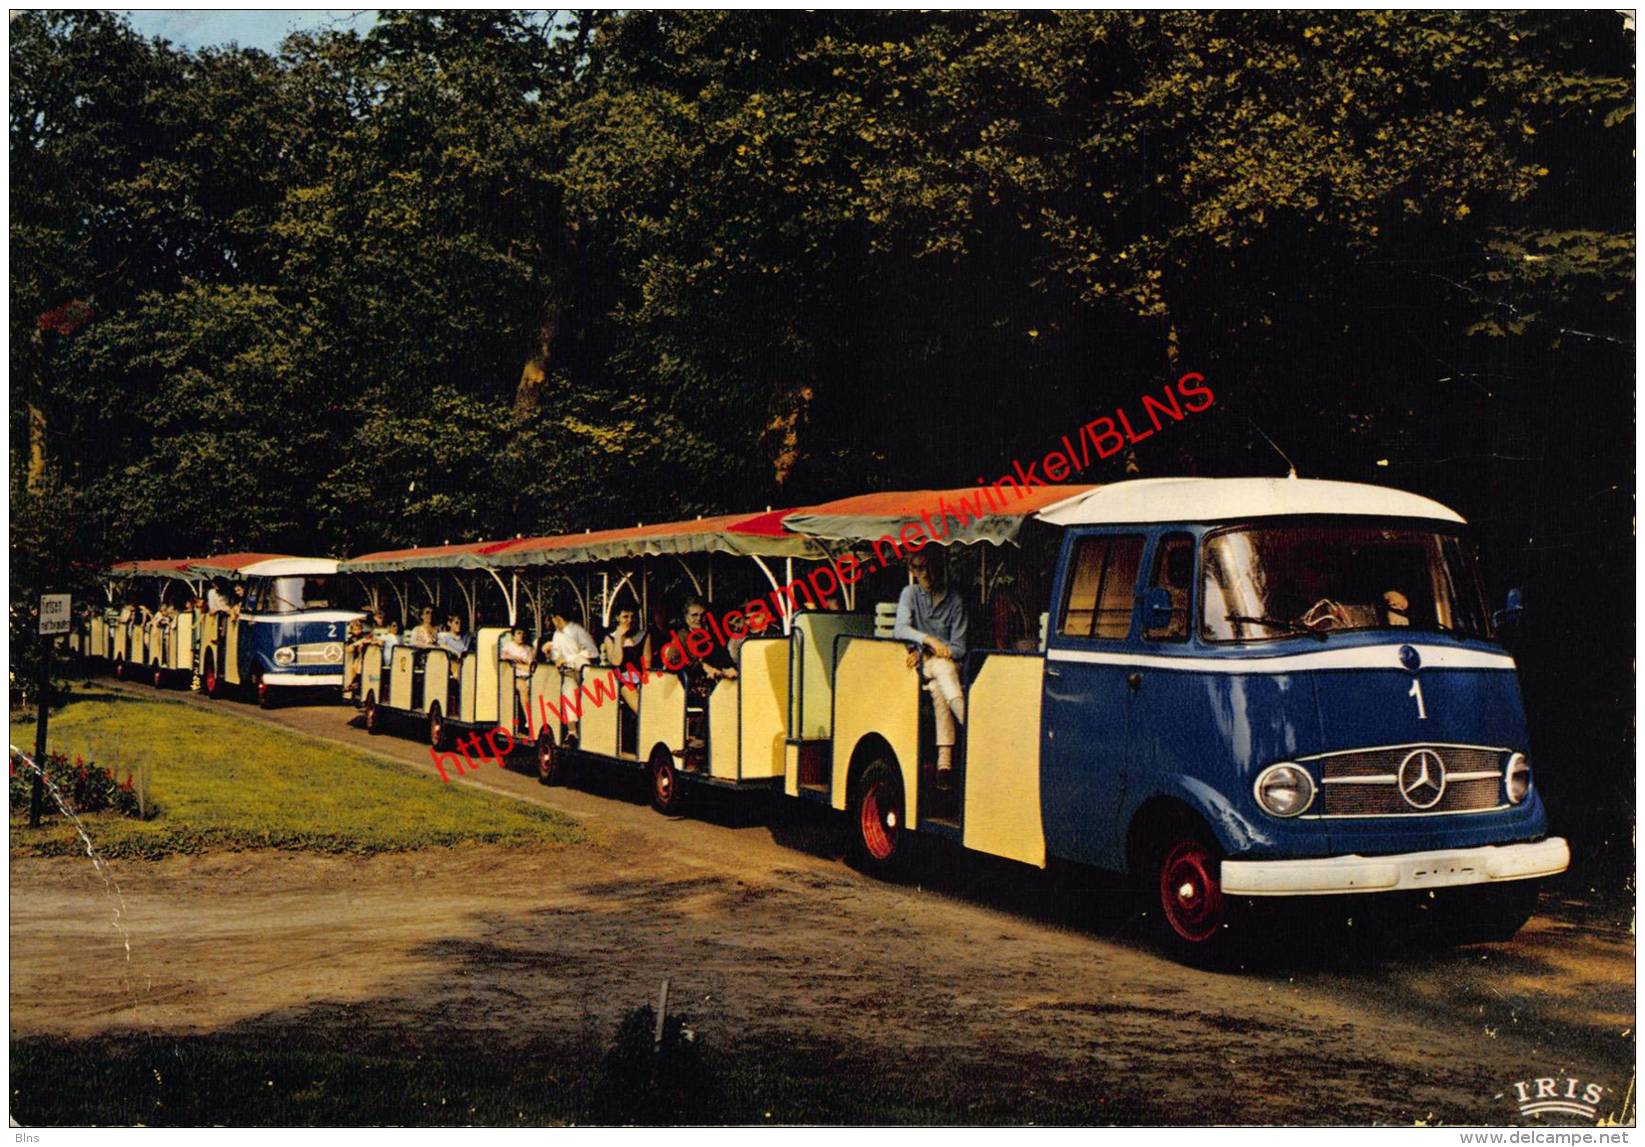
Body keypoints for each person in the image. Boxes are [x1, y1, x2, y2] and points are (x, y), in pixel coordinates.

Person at [894, 547, 968, 786]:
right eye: (917, 568)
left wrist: (933, 650)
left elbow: (959, 647)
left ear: (938, 567)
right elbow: (900, 629)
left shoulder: (954, 599)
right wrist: (929, 642)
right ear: (911, 571)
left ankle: (944, 763)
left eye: (927, 567)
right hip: (924, 663)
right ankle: (968, 722)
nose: (923, 574)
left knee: (939, 684)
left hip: (947, 665)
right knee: (941, 671)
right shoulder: (910, 593)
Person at [550, 608, 599, 743]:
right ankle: (572, 731)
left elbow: (593, 652)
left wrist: (570, 659)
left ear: (558, 617)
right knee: (568, 690)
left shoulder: (577, 631)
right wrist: (556, 658)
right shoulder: (557, 635)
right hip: (568, 673)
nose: (553, 622)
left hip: (583, 670)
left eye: (553, 619)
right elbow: (556, 654)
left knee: (580, 662)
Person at [603, 605, 649, 716]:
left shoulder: (643, 636)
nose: (630, 620)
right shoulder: (610, 638)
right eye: (625, 617)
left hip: (641, 677)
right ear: (617, 618)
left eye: (632, 617)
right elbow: (616, 661)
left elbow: (647, 663)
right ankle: (647, 720)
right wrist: (619, 638)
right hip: (621, 680)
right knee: (638, 704)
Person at [499, 626, 536, 733]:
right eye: (519, 633)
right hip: (513, 677)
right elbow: (502, 655)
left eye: (523, 633)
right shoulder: (508, 646)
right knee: (523, 688)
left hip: (528, 675)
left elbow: (531, 665)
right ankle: (529, 719)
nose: (521, 636)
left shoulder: (528, 648)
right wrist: (512, 658)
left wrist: (520, 665)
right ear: (513, 636)